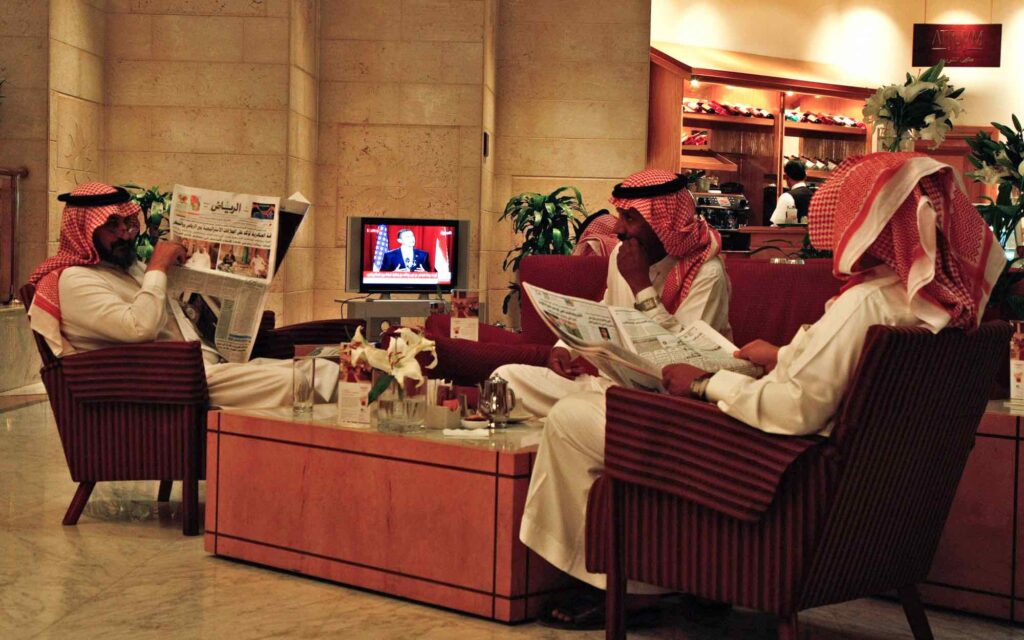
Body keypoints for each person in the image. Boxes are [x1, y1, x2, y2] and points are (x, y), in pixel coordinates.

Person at [519, 153, 1004, 626]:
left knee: (573, 416)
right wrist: (785, 355)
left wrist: (706, 383)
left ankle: (618, 584)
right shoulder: (928, 309)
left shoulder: (865, 305)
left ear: (876, 222)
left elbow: (792, 410)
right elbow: (835, 375)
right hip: (857, 499)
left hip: (777, 467)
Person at [27, 182, 337, 409]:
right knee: (313, 384)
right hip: (169, 385)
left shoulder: (123, 268)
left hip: (200, 370)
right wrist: (158, 267)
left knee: (324, 370)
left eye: (128, 222)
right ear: (83, 230)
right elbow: (138, 327)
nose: (126, 232)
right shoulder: (73, 280)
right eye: (112, 225)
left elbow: (166, 307)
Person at [495, 169, 732, 418]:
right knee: (506, 380)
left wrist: (640, 286)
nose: (617, 228)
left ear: (662, 226)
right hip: (613, 390)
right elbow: (606, 313)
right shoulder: (622, 253)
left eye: (629, 218)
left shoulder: (706, 273)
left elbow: (686, 363)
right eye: (620, 215)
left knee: (572, 413)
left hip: (666, 405)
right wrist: (564, 347)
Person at [769, 159, 813, 225]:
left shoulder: (787, 197)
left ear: (786, 177)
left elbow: (776, 225)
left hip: (792, 235)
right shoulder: (815, 196)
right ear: (805, 177)